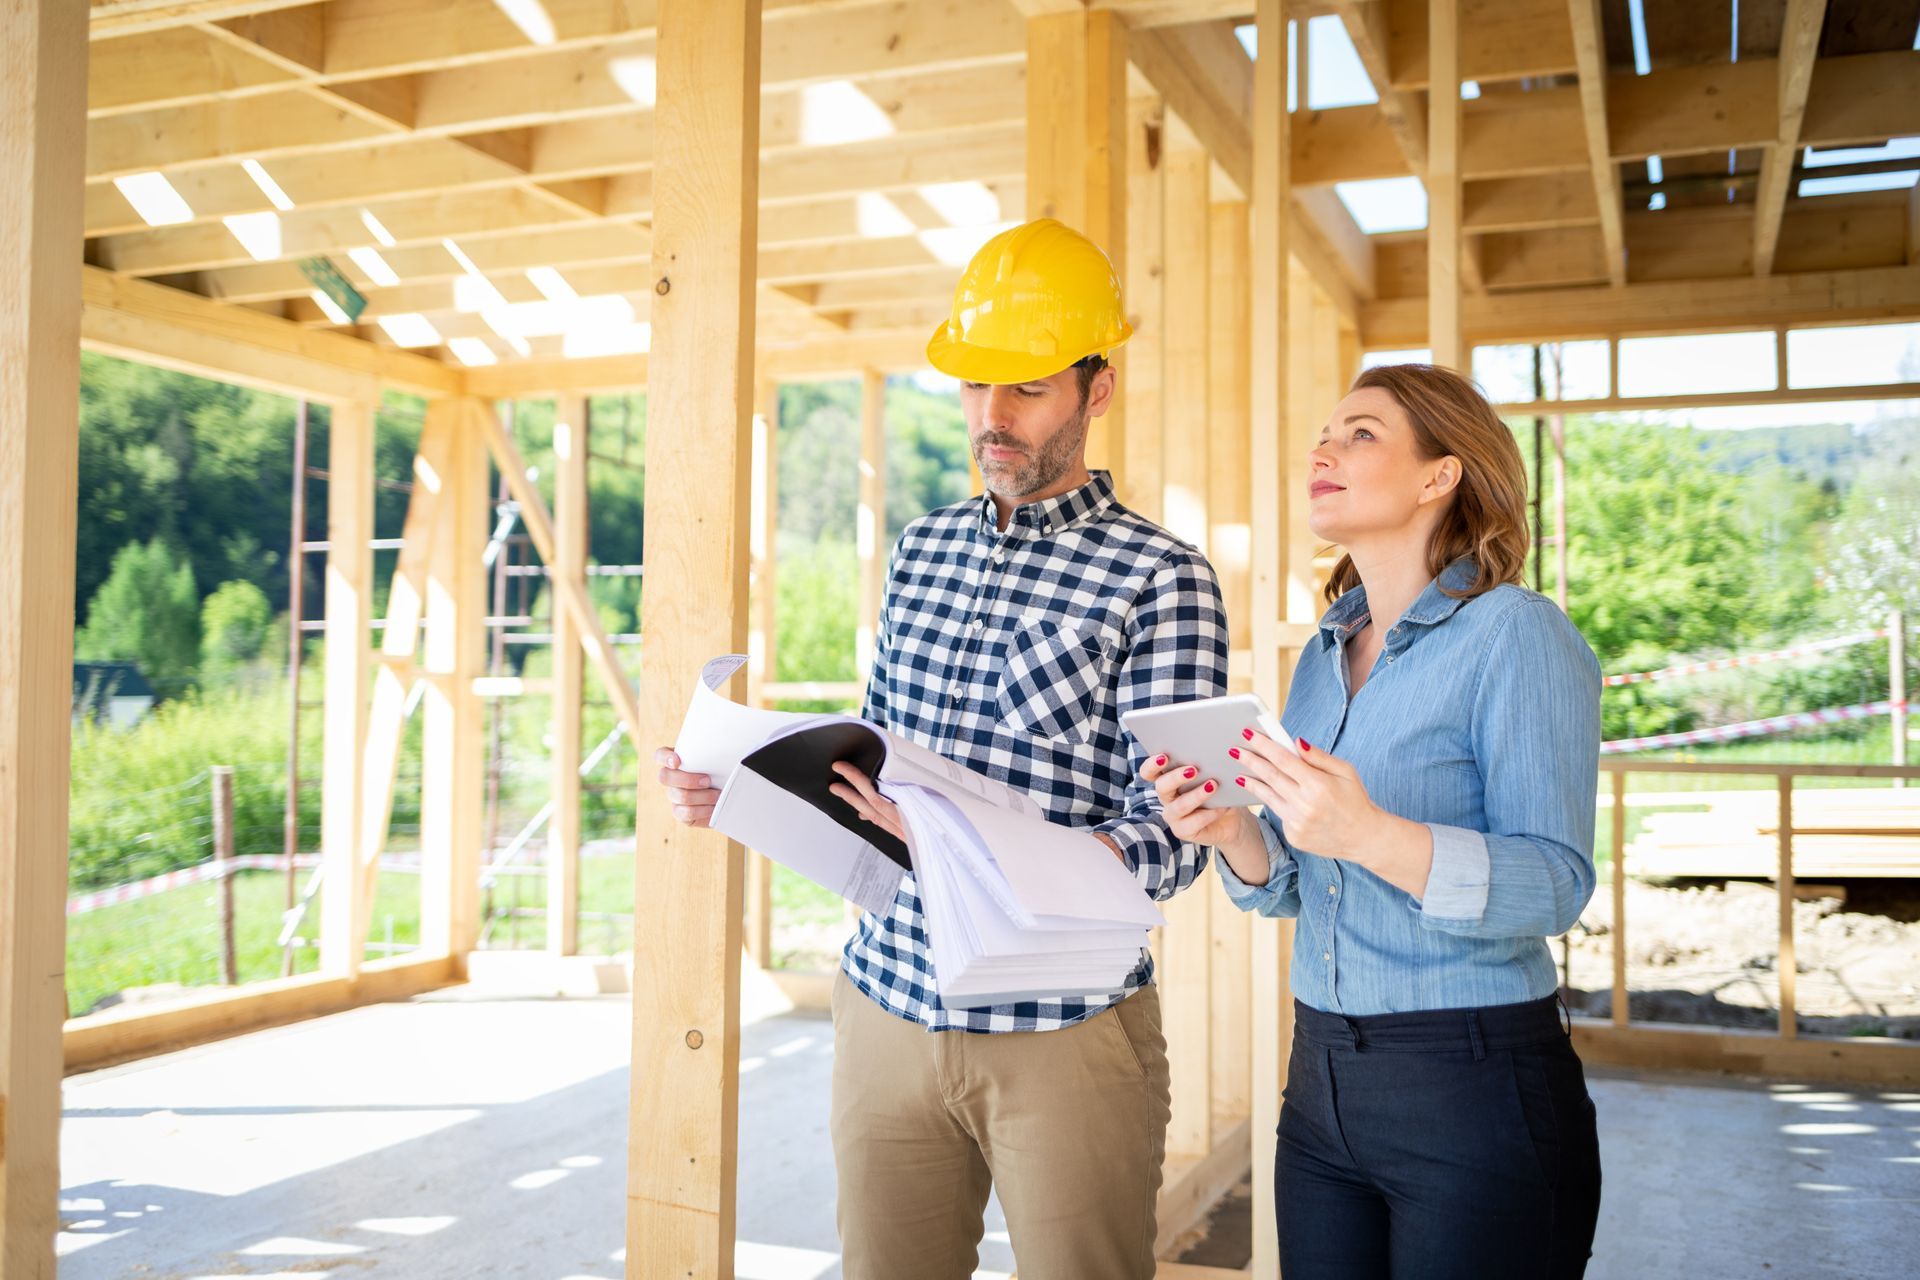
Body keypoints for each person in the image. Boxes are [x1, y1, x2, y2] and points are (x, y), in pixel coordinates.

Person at [654, 218, 1229, 1280]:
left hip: (1063, 1028)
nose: (992, 419)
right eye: (974, 387)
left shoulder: (1163, 577)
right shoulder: (919, 552)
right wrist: (739, 785)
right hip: (886, 1000)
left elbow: (1179, 840)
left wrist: (990, 845)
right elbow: (871, 774)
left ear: (1097, 390)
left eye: (1027, 389)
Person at [1146, 362, 1604, 1278]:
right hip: (1318, 1082)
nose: (1325, 448)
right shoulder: (1320, 655)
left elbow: (1556, 883)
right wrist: (1233, 832)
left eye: (1361, 433)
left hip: (1473, 1086)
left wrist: (1368, 833)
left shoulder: (1516, 633)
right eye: (1325, 432)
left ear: (1441, 476)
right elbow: (1294, 885)